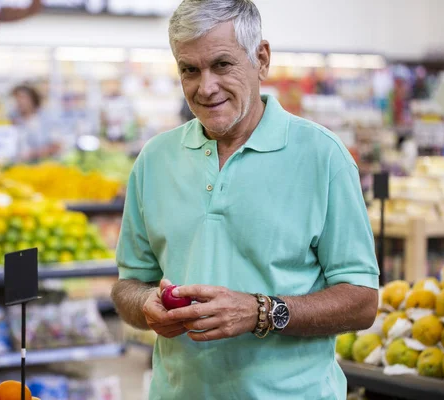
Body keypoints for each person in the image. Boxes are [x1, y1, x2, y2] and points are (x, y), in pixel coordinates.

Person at [111, 1, 379, 399]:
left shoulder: (322, 156)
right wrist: (145, 303)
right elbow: (128, 284)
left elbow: (361, 301)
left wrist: (261, 311)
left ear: (261, 59)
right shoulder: (155, 159)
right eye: (190, 69)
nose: (206, 87)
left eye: (222, 64)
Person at [10, 84, 59, 163]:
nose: (19, 101)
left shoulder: (46, 118)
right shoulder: (13, 118)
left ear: (33, 99)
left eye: (23, 97)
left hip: (43, 167)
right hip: (18, 168)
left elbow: (57, 145)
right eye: (16, 98)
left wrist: (34, 153)